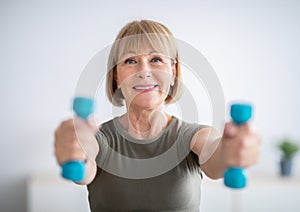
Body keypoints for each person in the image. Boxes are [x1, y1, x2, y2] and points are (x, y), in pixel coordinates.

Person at [54, 19, 261, 211]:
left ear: (173, 72)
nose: (144, 71)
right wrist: (75, 149)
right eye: (130, 61)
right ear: (116, 76)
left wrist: (230, 152)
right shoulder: (99, 139)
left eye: (156, 59)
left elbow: (216, 159)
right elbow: (84, 164)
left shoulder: (194, 136)